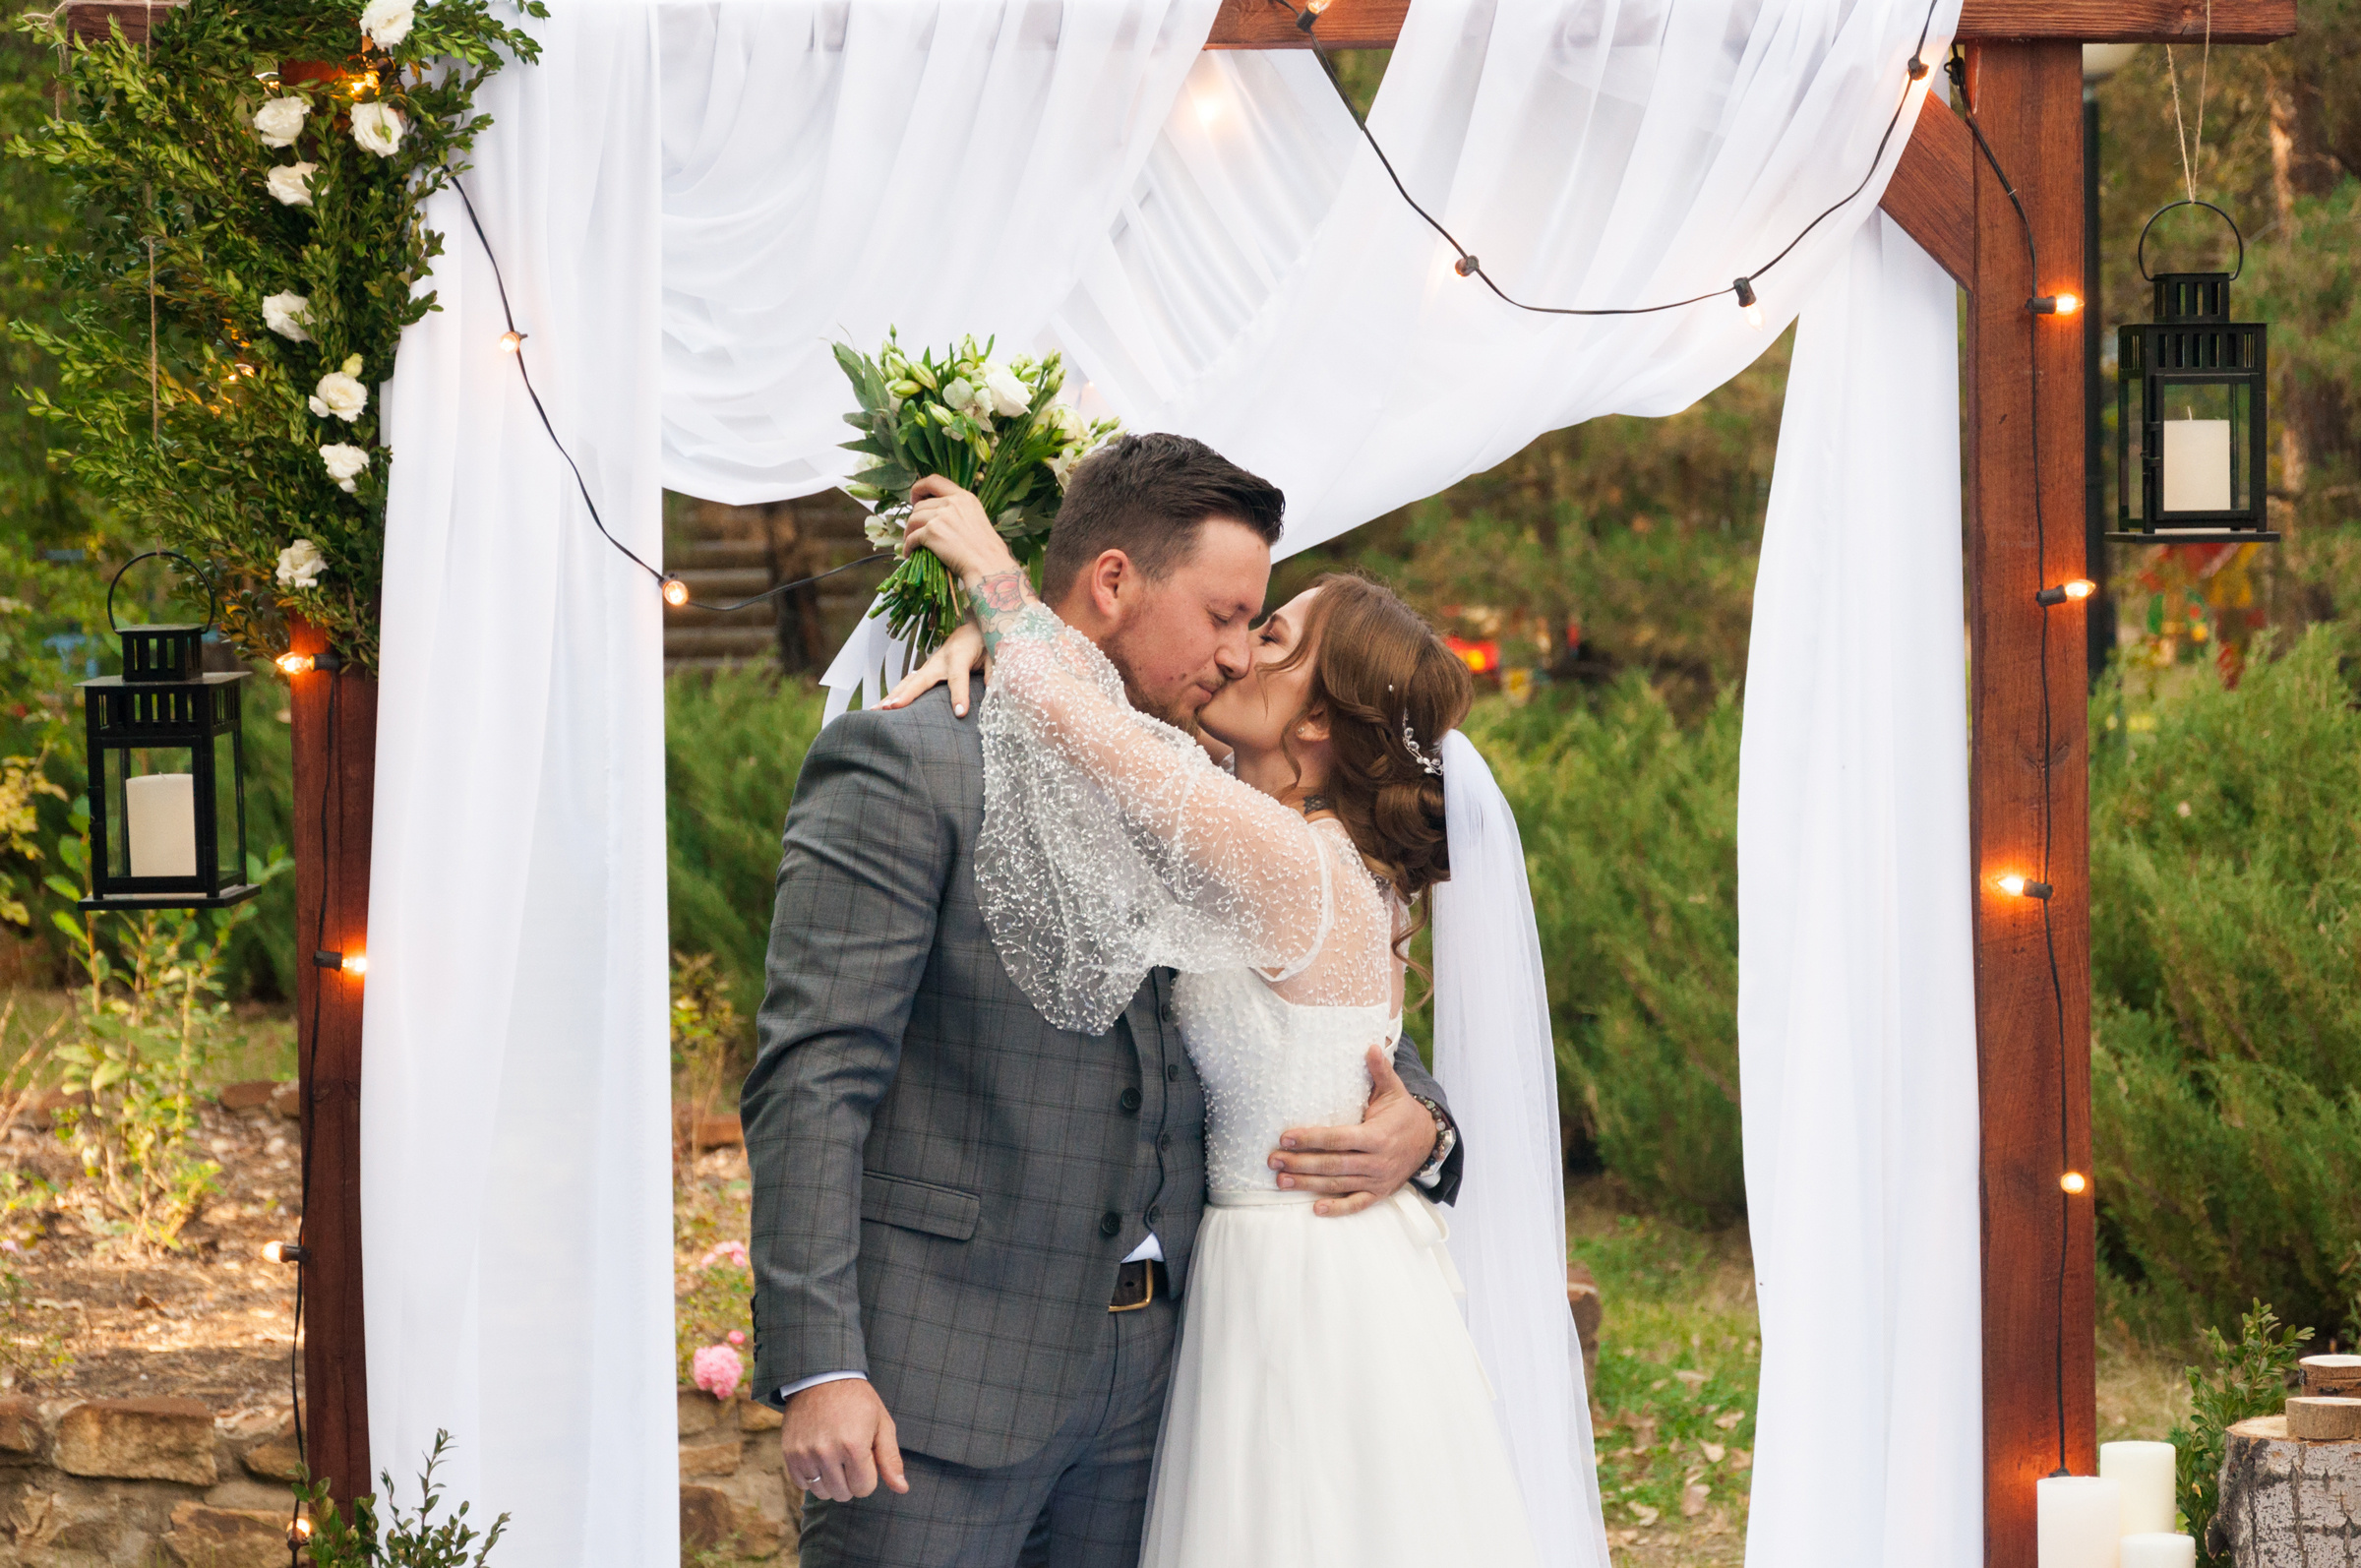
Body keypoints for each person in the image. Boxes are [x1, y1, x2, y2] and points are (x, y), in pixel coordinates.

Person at [742, 435, 1466, 1568]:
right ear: (1118, 580)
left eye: (1259, 629)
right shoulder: (910, 760)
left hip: (1170, 1392)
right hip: (940, 1389)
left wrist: (1421, 1118)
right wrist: (820, 1363)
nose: (1235, 657)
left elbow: (1339, 1008)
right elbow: (812, 1075)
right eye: (1227, 615)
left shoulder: (1214, 790)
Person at [894, 471, 1605, 1567]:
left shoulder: (1285, 860)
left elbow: (1096, 729)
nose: (1233, 654)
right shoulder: (1302, 843)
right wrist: (994, 645)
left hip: (1299, 1292)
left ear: (1316, 719)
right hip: (1298, 1267)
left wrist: (996, 580)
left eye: (1267, 638)